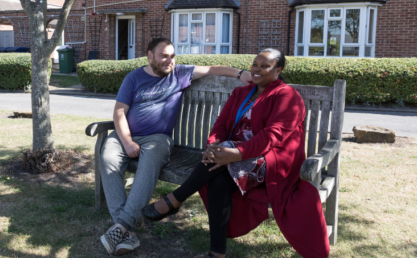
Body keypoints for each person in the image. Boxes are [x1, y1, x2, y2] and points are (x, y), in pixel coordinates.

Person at [141, 48, 330, 258]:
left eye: (264, 66)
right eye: (255, 65)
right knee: (218, 181)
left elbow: (273, 136)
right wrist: (213, 145)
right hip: (234, 153)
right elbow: (221, 124)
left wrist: (236, 153)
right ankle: (217, 253)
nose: (257, 70)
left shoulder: (286, 96)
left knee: (219, 163)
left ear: (278, 70)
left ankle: (174, 200)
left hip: (271, 159)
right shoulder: (241, 92)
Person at [99, 37, 252, 256]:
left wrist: (239, 73)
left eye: (172, 56)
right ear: (150, 55)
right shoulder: (133, 77)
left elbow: (210, 69)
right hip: (125, 136)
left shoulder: (180, 73)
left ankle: (121, 227)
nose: (169, 61)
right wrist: (127, 141)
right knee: (107, 160)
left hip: (157, 139)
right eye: (164, 56)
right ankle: (127, 231)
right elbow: (119, 112)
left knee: (148, 166)